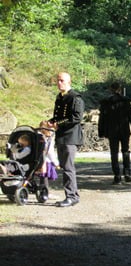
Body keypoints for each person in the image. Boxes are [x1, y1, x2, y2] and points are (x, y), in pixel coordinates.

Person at [49, 72, 84, 207]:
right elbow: (57, 116)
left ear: (69, 82)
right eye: (57, 80)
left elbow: (76, 117)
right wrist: (50, 122)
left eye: (62, 80)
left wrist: (59, 124)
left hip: (70, 136)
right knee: (65, 167)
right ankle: (72, 195)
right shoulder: (60, 97)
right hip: (61, 136)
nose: (59, 83)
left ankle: (71, 196)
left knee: (68, 167)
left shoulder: (75, 98)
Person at [98, 82, 131, 184]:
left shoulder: (106, 102)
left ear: (110, 90)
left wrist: (101, 131)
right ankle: (127, 173)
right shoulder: (126, 101)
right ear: (120, 89)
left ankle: (117, 175)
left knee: (114, 153)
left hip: (112, 131)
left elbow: (102, 118)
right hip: (124, 130)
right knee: (125, 151)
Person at [37, 121, 59, 199]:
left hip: (38, 159)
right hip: (46, 160)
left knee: (42, 177)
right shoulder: (48, 138)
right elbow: (50, 151)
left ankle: (42, 192)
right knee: (44, 177)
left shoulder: (38, 137)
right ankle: (45, 193)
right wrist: (56, 162)